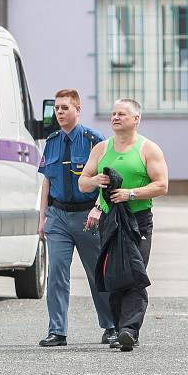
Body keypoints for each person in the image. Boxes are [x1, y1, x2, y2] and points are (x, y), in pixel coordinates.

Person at [80, 98, 168, 352]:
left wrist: (130, 193)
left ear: (136, 119)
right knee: (114, 275)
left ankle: (130, 330)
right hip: (110, 222)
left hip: (137, 221)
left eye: (122, 114)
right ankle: (121, 329)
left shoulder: (148, 149)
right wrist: (95, 180)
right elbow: (83, 183)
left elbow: (161, 185)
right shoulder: (101, 149)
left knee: (134, 274)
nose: (115, 117)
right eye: (114, 113)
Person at [37, 89, 116, 347]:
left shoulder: (95, 140)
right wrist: (42, 218)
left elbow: (106, 181)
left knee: (97, 274)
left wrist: (98, 208)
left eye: (65, 108)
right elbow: (47, 183)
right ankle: (57, 331)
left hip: (87, 216)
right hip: (58, 216)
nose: (59, 112)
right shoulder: (51, 141)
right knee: (56, 274)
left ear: (77, 109)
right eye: (57, 108)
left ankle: (111, 326)